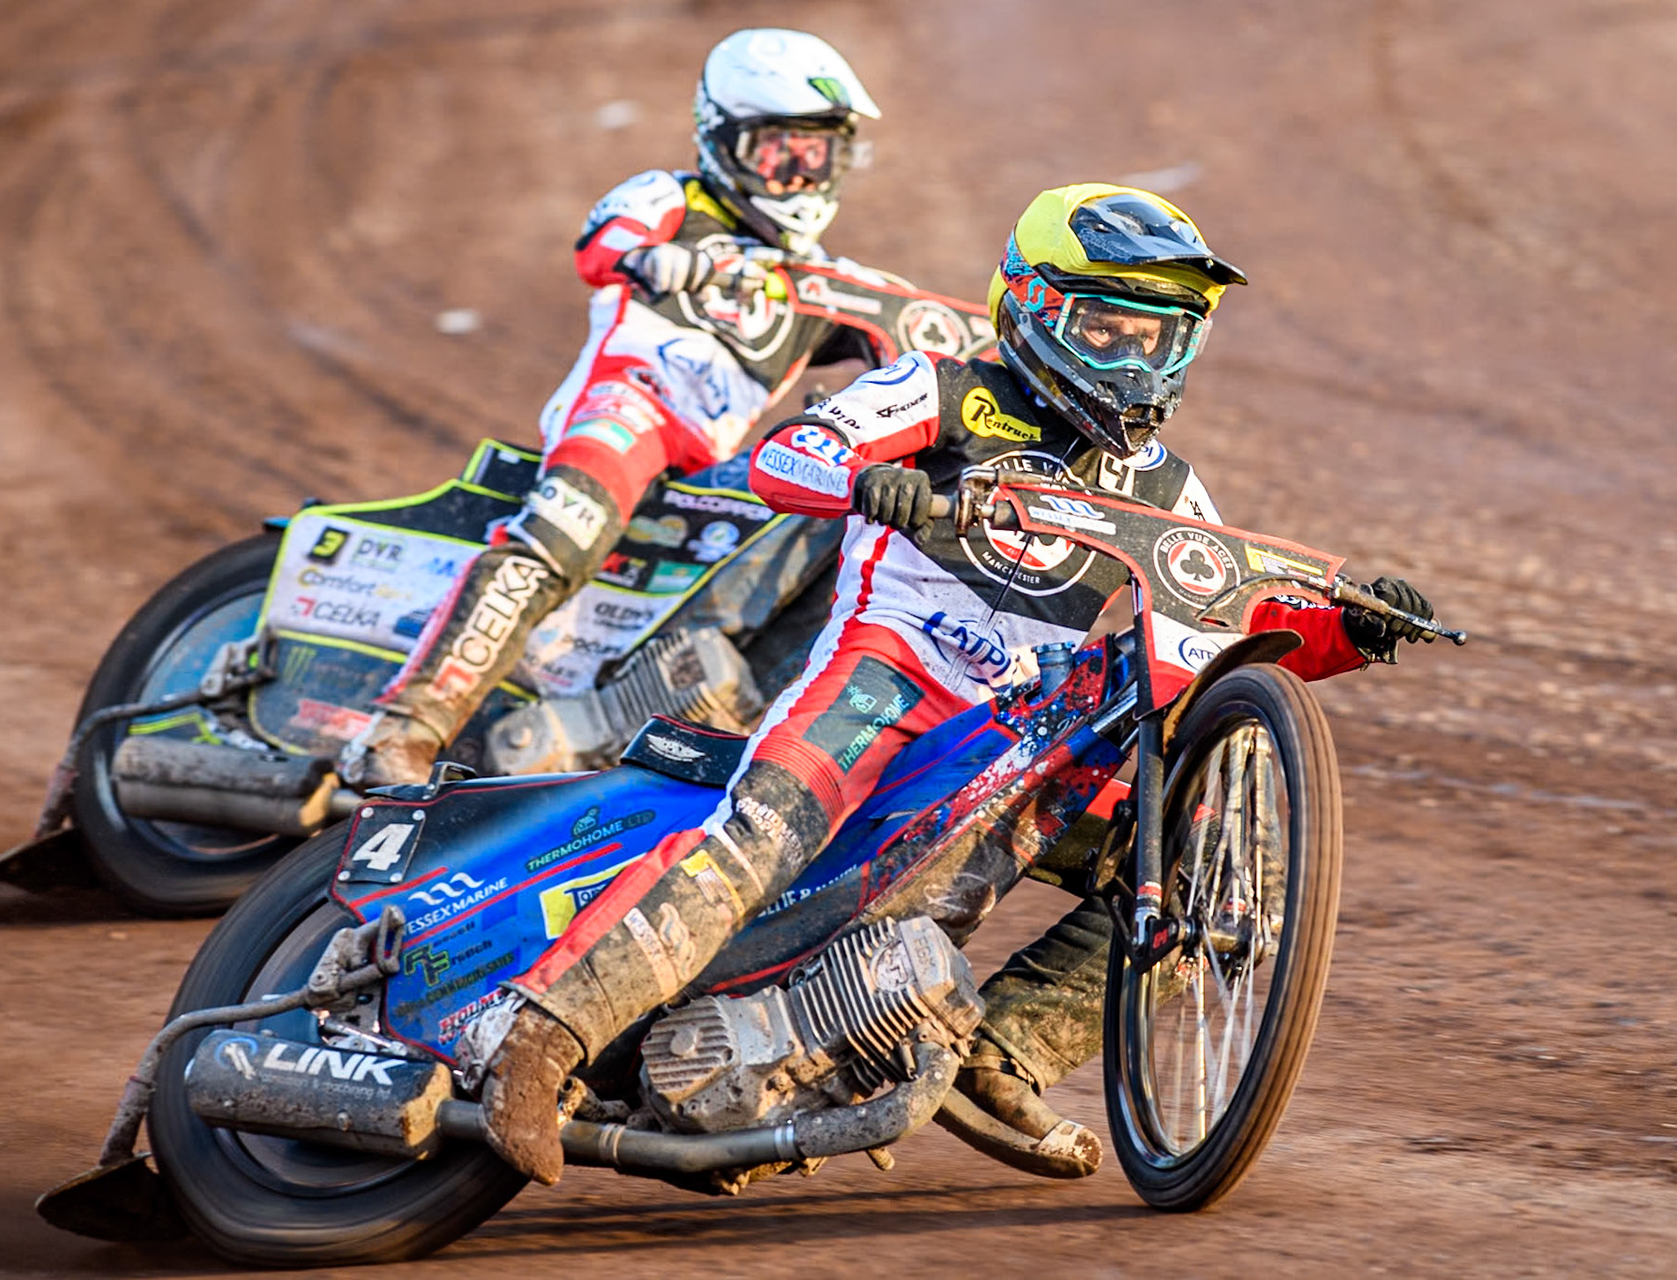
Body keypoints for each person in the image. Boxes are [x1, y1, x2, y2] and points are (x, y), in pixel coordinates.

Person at [460, 183, 1439, 1187]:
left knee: (1210, 871)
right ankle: (540, 1038)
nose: (1136, 361)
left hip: (1016, 731)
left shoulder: (1169, 488)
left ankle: (1001, 1052)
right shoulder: (947, 386)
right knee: (758, 836)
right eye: (1106, 329)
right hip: (884, 679)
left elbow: (1229, 624)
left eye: (1161, 338)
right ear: (1028, 306)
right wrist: (860, 475)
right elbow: (790, 452)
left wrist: (1350, 631)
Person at [359, 28, 890, 786]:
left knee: (849, 548)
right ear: (727, 140)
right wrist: (651, 255)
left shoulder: (823, 280)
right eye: (781, 152)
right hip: (627, 409)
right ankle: (404, 727)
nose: (801, 175)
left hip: (716, 470)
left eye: (819, 154)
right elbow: (601, 240)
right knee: (560, 536)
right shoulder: (673, 198)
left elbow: (914, 339)